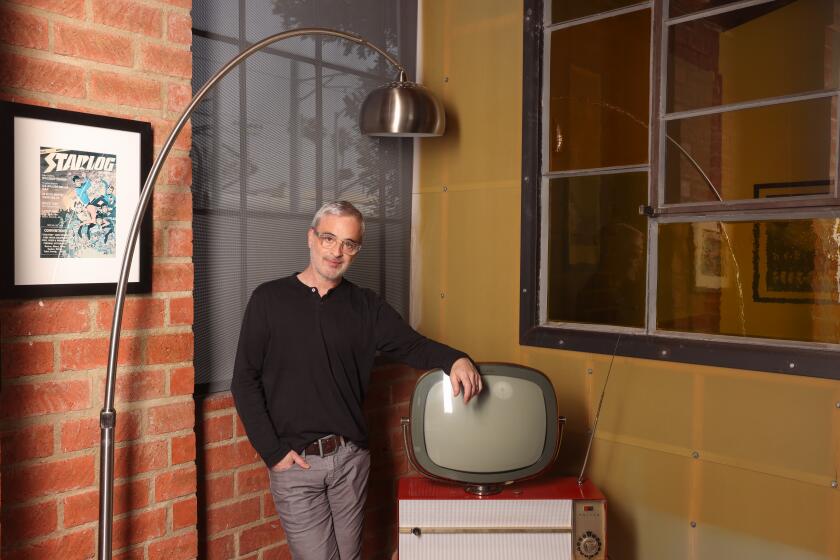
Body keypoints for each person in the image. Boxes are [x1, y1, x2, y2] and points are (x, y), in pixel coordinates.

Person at [231, 201, 482, 560]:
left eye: (349, 244)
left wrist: (455, 359)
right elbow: (244, 380)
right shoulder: (268, 300)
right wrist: (274, 453)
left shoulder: (367, 306)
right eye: (329, 239)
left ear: (356, 250)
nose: (337, 251)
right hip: (296, 465)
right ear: (311, 238)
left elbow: (412, 345)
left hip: (350, 461)